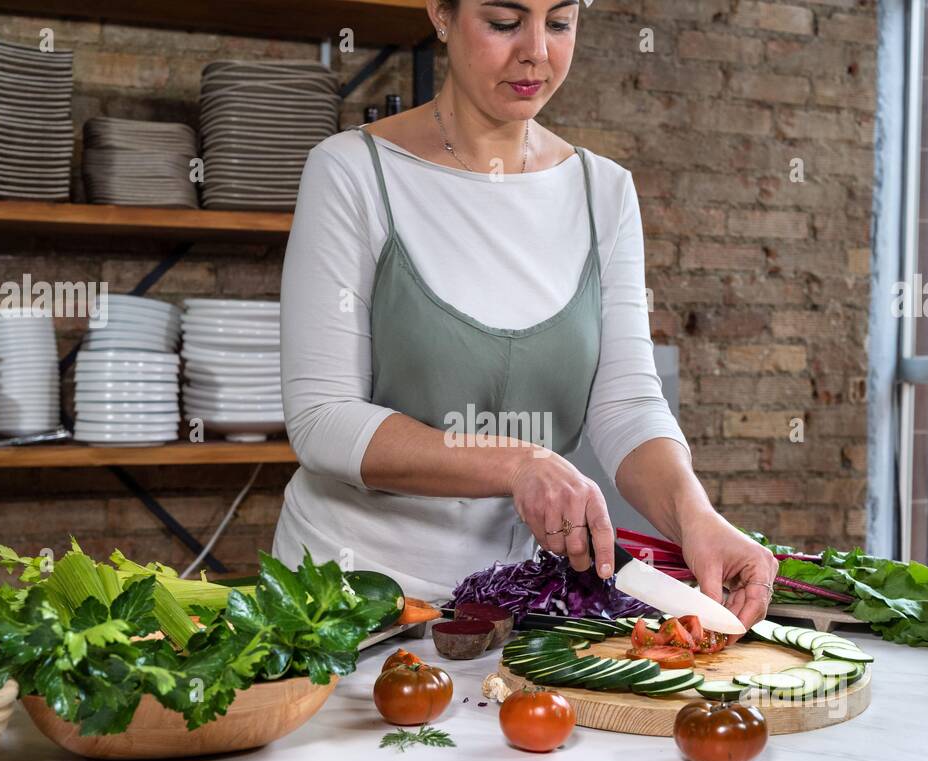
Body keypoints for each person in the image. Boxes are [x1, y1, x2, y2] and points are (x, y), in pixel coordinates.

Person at [273, 0, 776, 628]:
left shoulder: (604, 193)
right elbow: (323, 418)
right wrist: (519, 463)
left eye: (560, 23)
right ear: (441, 14)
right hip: (347, 599)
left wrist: (697, 518)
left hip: (514, 602)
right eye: (505, 22)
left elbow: (625, 406)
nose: (536, 51)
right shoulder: (353, 171)